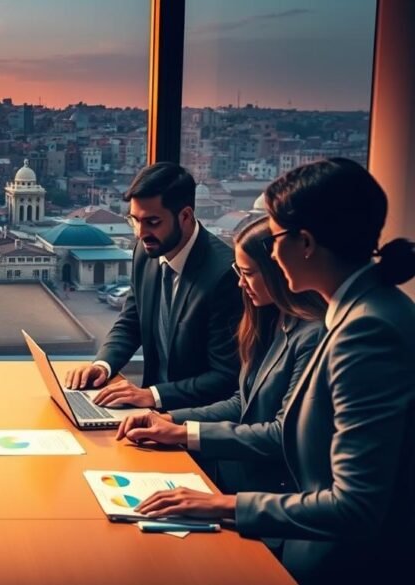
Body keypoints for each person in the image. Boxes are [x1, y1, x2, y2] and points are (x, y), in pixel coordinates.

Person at [121, 158, 415, 584]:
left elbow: (354, 506)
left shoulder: (366, 330)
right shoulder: (360, 312)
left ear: (307, 243)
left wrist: (223, 505)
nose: (273, 253)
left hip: (334, 563)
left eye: (275, 239)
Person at [113, 217, 325, 495]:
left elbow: (280, 434)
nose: (240, 284)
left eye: (247, 273)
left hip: (263, 490)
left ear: (278, 271)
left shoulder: (311, 337)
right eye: (239, 270)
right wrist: (169, 418)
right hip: (230, 470)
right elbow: (243, 402)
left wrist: (185, 433)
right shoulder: (267, 320)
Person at [65, 162, 242, 411]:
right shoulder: (146, 250)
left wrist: (153, 396)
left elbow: (225, 377)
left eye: (152, 222)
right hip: (148, 412)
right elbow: (131, 321)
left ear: (185, 216)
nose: (140, 233)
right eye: (134, 220)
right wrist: (102, 366)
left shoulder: (224, 275)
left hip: (195, 420)